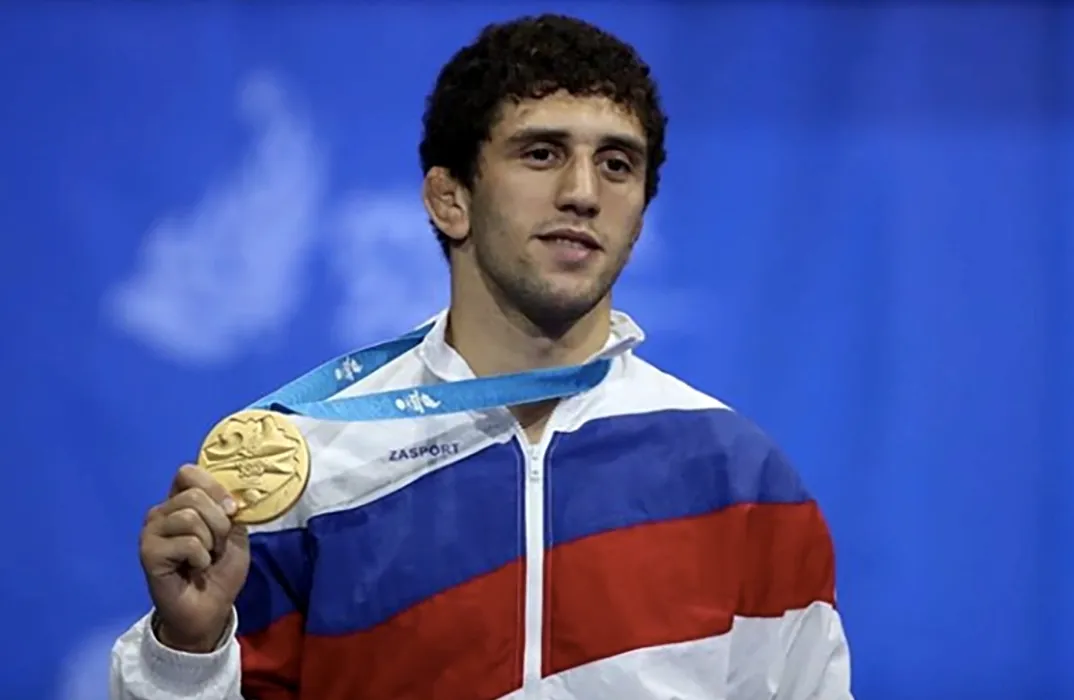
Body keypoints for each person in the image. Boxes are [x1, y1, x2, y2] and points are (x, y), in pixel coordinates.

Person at [110, 13, 853, 700]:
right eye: (542, 153)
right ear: (450, 198)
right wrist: (187, 650)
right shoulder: (313, 463)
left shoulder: (741, 483)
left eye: (617, 164)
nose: (583, 193)